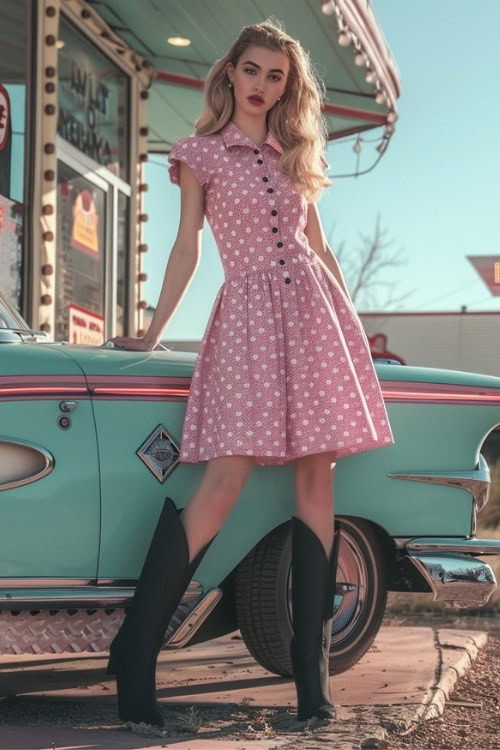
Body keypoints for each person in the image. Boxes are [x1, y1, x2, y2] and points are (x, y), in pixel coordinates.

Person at [107, 17, 394, 730]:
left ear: (286, 86)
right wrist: (148, 329)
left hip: (314, 317)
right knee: (225, 479)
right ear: (230, 73)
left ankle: (312, 686)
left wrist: (356, 335)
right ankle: (135, 655)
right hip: (246, 322)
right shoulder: (199, 154)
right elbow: (185, 250)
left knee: (315, 481)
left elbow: (321, 251)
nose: (263, 85)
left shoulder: (295, 154)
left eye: (277, 75)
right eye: (253, 70)